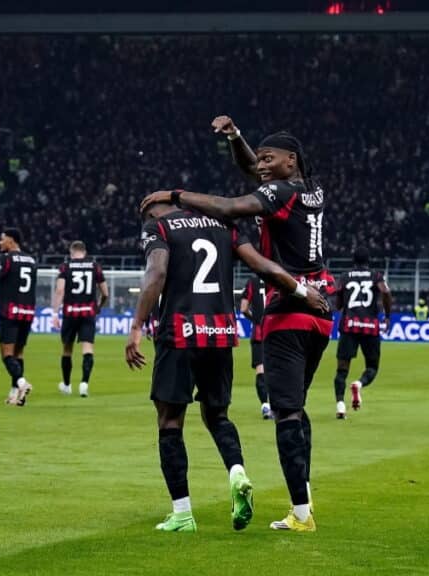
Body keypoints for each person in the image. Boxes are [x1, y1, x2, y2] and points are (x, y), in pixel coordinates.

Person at [140, 115, 334, 532]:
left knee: (285, 413)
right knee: (296, 410)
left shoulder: (279, 192)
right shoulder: (309, 189)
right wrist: (237, 138)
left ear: (290, 160)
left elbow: (230, 207)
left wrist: (174, 194)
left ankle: (301, 514)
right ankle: (304, 502)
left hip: (289, 305)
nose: (261, 165)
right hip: (319, 305)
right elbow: (254, 172)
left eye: (270, 159)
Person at [333, 247, 393, 419]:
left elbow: (338, 302)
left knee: (341, 370)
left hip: (349, 326)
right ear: (368, 261)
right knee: (372, 367)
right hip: (370, 326)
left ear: (354, 261)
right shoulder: (376, 276)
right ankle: (359, 384)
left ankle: (340, 405)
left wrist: (341, 302)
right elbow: (386, 292)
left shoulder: (345, 276)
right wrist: (387, 316)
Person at [0, 228, 37, 406]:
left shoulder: (6, 259)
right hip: (28, 311)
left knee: (7, 354)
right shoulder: (31, 260)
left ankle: (22, 383)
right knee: (19, 353)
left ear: (12, 241)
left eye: (3, 239)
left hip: (10, 311)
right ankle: (16, 394)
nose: (0, 243)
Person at [53, 240, 109, 398]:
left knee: (67, 350)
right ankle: (84, 384)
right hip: (88, 312)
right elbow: (105, 293)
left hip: (70, 313)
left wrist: (55, 313)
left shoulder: (65, 267)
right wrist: (99, 306)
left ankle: (67, 385)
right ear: (84, 252)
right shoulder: (94, 266)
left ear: (71, 252)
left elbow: (60, 290)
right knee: (88, 348)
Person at [239, 275, 271, 419]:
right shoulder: (278, 274)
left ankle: (265, 405)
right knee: (279, 369)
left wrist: (255, 320)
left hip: (259, 332)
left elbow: (244, 308)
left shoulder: (253, 280)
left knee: (260, 369)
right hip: (277, 331)